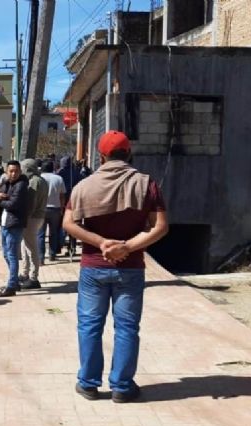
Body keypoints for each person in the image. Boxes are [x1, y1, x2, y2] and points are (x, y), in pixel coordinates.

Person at [63, 130, 169, 403]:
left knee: (89, 326)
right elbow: (160, 227)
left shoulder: (83, 186)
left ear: (100, 156)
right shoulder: (147, 185)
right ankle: (122, 386)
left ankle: (88, 384)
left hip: (93, 268)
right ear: (129, 153)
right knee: (127, 327)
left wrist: (100, 242)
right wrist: (126, 247)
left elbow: (68, 224)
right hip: (130, 267)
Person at [0, 161, 29, 298]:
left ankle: (12, 285)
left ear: (20, 172)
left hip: (14, 224)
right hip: (4, 224)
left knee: (12, 256)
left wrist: (0, 200)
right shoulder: (6, 183)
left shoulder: (21, 185)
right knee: (6, 255)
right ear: (6, 172)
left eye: (16, 171)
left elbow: (13, 204)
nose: (13, 174)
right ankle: (14, 281)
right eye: (11, 171)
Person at [19, 159, 49, 290]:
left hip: (32, 217)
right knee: (25, 246)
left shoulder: (34, 181)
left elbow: (31, 203)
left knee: (31, 248)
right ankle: (25, 273)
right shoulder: (40, 180)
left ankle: (33, 277)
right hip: (37, 216)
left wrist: (24, 216)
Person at [38, 160, 67, 262]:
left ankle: (41, 257)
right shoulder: (58, 178)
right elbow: (62, 195)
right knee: (53, 233)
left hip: (41, 209)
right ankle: (52, 254)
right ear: (53, 168)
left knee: (40, 233)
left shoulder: (39, 178)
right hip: (55, 208)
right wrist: (62, 208)